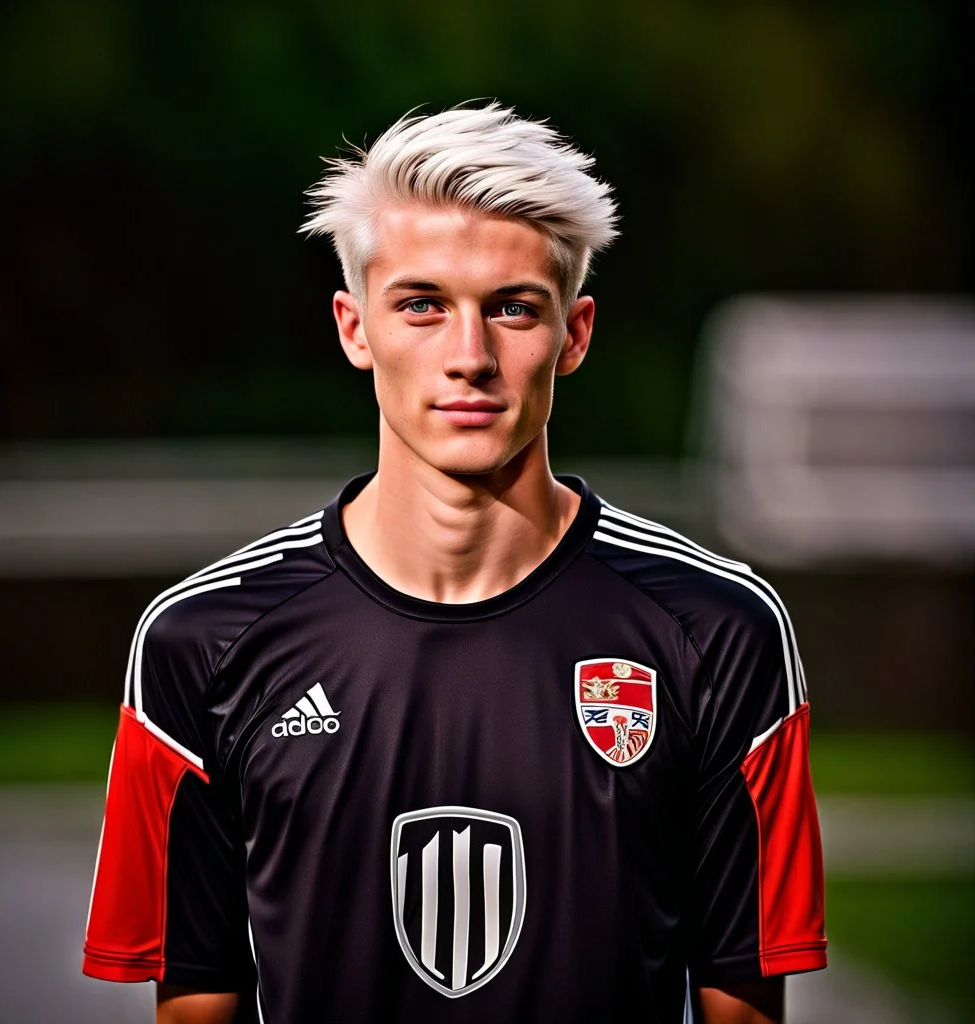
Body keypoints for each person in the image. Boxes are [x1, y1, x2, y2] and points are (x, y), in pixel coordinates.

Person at [82, 101, 827, 1024]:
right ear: (356, 329)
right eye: (423, 305)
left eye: (513, 308)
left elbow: (744, 1004)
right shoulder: (201, 643)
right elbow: (196, 1003)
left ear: (576, 332)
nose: (469, 356)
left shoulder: (718, 631)